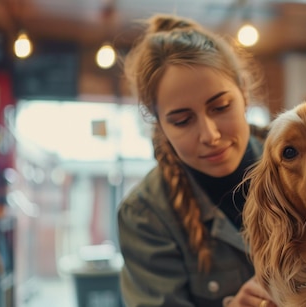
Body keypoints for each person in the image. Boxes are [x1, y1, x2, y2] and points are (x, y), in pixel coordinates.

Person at [117, 14, 274, 307]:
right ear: (160, 126)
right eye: (182, 121)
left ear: (244, 94)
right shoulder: (146, 215)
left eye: (221, 107)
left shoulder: (304, 166)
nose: (210, 135)